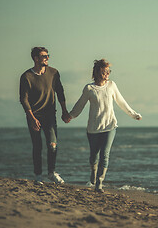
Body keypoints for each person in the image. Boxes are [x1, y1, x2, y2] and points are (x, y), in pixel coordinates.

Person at [66, 59, 142, 192]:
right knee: (93, 157)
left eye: (108, 71)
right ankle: (93, 172)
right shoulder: (89, 88)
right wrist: (71, 116)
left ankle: (99, 183)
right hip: (93, 128)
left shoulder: (112, 85)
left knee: (105, 155)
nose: (107, 74)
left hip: (110, 126)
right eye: (104, 71)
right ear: (96, 72)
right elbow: (80, 104)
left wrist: (134, 114)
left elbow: (121, 102)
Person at [19, 47, 68, 185]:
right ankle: (38, 175)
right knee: (37, 146)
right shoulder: (26, 77)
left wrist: (64, 111)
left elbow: (60, 92)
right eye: (44, 56)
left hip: (50, 115)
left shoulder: (53, 73)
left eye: (47, 55)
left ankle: (51, 173)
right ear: (35, 58)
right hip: (33, 116)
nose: (47, 58)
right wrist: (32, 118)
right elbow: (24, 99)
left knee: (53, 145)